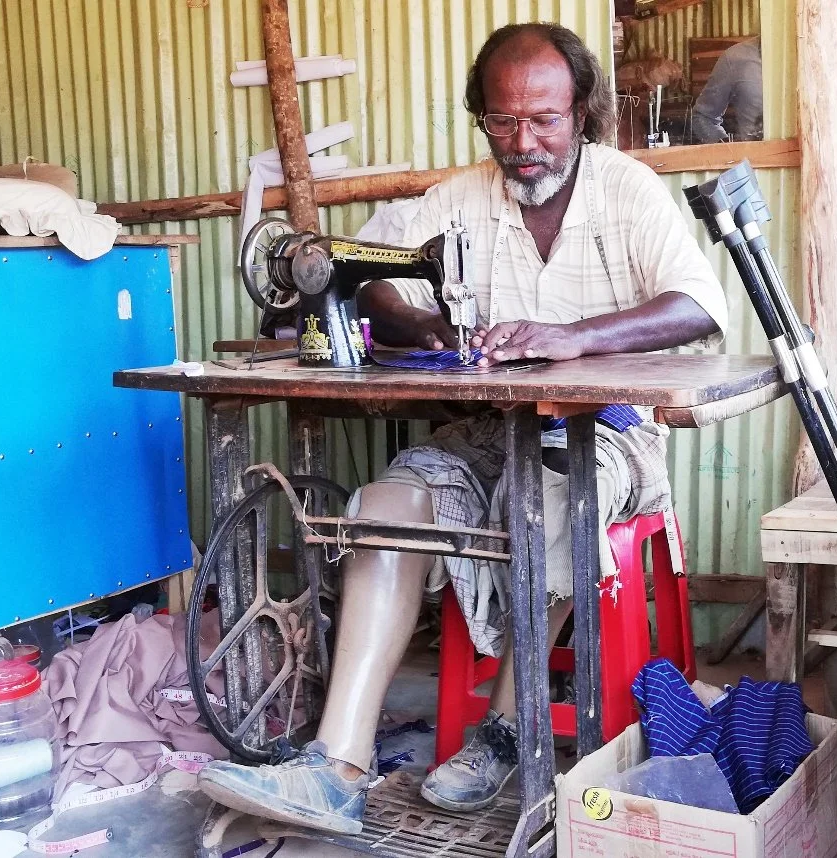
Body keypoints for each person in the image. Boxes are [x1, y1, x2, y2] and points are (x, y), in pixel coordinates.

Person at [196, 22, 729, 835]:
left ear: (581, 111)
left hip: (609, 435)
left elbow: (699, 305)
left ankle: (507, 731)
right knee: (384, 503)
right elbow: (358, 266)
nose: (524, 143)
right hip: (485, 432)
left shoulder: (625, 190)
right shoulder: (460, 196)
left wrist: (572, 336)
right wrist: (418, 328)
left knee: (545, 498)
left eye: (544, 120)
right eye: (502, 121)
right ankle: (336, 767)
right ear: (481, 117)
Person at [691, 35, 763, 143]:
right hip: (752, 156)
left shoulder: (797, 57)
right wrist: (726, 149)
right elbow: (703, 117)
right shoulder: (735, 57)